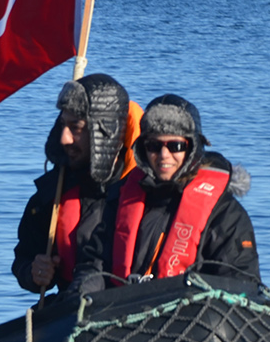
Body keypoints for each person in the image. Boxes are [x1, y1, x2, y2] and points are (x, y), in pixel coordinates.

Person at [73, 94, 258, 293]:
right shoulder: (120, 199)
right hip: (123, 314)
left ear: (192, 148)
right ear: (143, 149)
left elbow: (240, 283)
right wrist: (82, 295)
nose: (163, 155)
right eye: (154, 146)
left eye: (175, 146)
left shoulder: (225, 214)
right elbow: (94, 265)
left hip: (195, 316)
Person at [11, 74, 141, 294]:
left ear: (105, 131)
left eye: (76, 127)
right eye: (63, 125)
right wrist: (33, 272)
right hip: (72, 311)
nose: (65, 139)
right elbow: (24, 257)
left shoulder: (147, 191)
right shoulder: (53, 192)